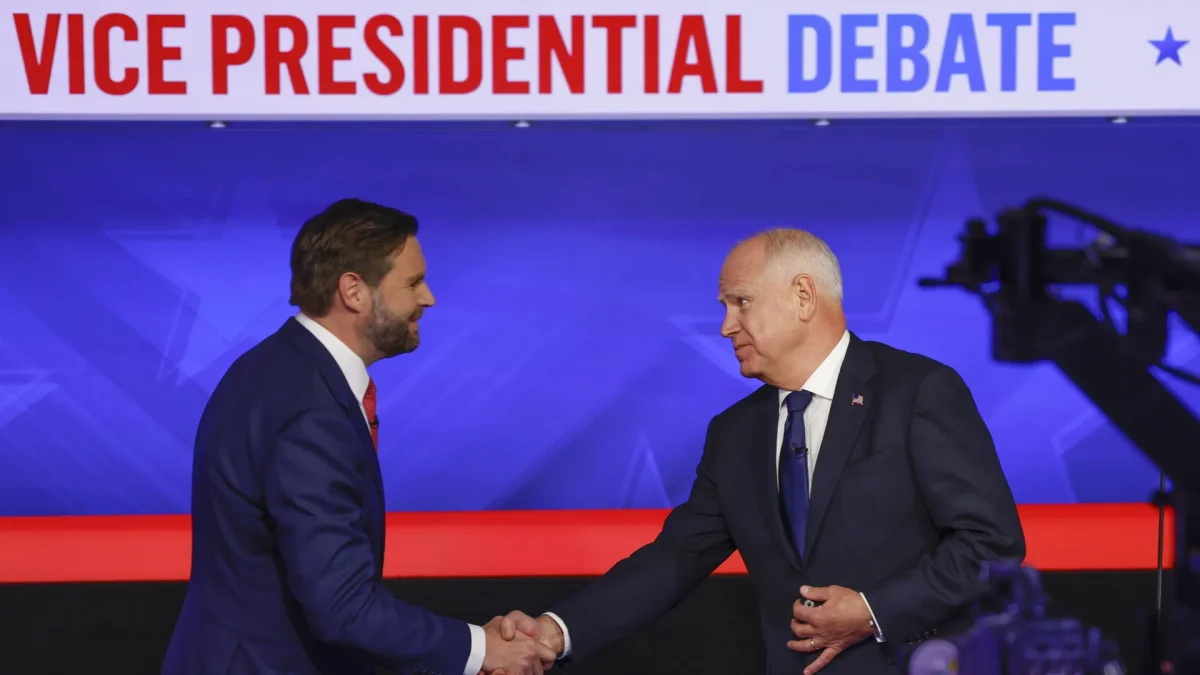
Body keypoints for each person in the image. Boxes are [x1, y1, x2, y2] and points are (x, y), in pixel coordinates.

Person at [500, 229, 1026, 675]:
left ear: (803, 295)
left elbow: (991, 544)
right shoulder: (735, 432)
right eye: (725, 307)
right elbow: (674, 560)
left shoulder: (916, 391)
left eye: (741, 302)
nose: (727, 324)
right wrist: (554, 632)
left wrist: (872, 611)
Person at [162, 199, 554, 675]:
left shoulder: (277, 368)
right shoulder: (308, 409)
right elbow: (342, 607)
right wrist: (483, 649)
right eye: (412, 282)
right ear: (353, 291)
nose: (427, 298)